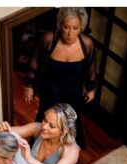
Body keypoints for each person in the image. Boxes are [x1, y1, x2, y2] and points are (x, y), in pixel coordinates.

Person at [24, 7, 96, 148]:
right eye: (66, 27)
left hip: (74, 91)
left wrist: (91, 88)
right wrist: (28, 85)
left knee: (70, 121)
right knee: (48, 121)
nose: (70, 33)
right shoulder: (49, 40)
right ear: (60, 25)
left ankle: (67, 151)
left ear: (81, 27)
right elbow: (34, 61)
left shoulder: (87, 44)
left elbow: (91, 67)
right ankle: (40, 149)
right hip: (51, 89)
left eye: (75, 28)